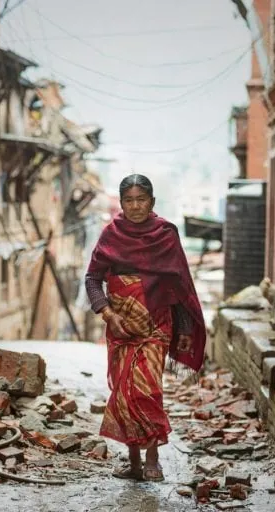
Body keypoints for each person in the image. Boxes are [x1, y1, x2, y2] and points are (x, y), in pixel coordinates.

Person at [84, 174, 206, 482]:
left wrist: (182, 326)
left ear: (151, 202)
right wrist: (108, 313)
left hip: (155, 325)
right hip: (119, 327)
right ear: (121, 203)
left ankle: (153, 461)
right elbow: (92, 279)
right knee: (124, 393)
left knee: (148, 391)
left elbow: (180, 284)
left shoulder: (165, 234)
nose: (135, 206)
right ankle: (134, 463)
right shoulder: (111, 235)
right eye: (129, 200)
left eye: (141, 200)